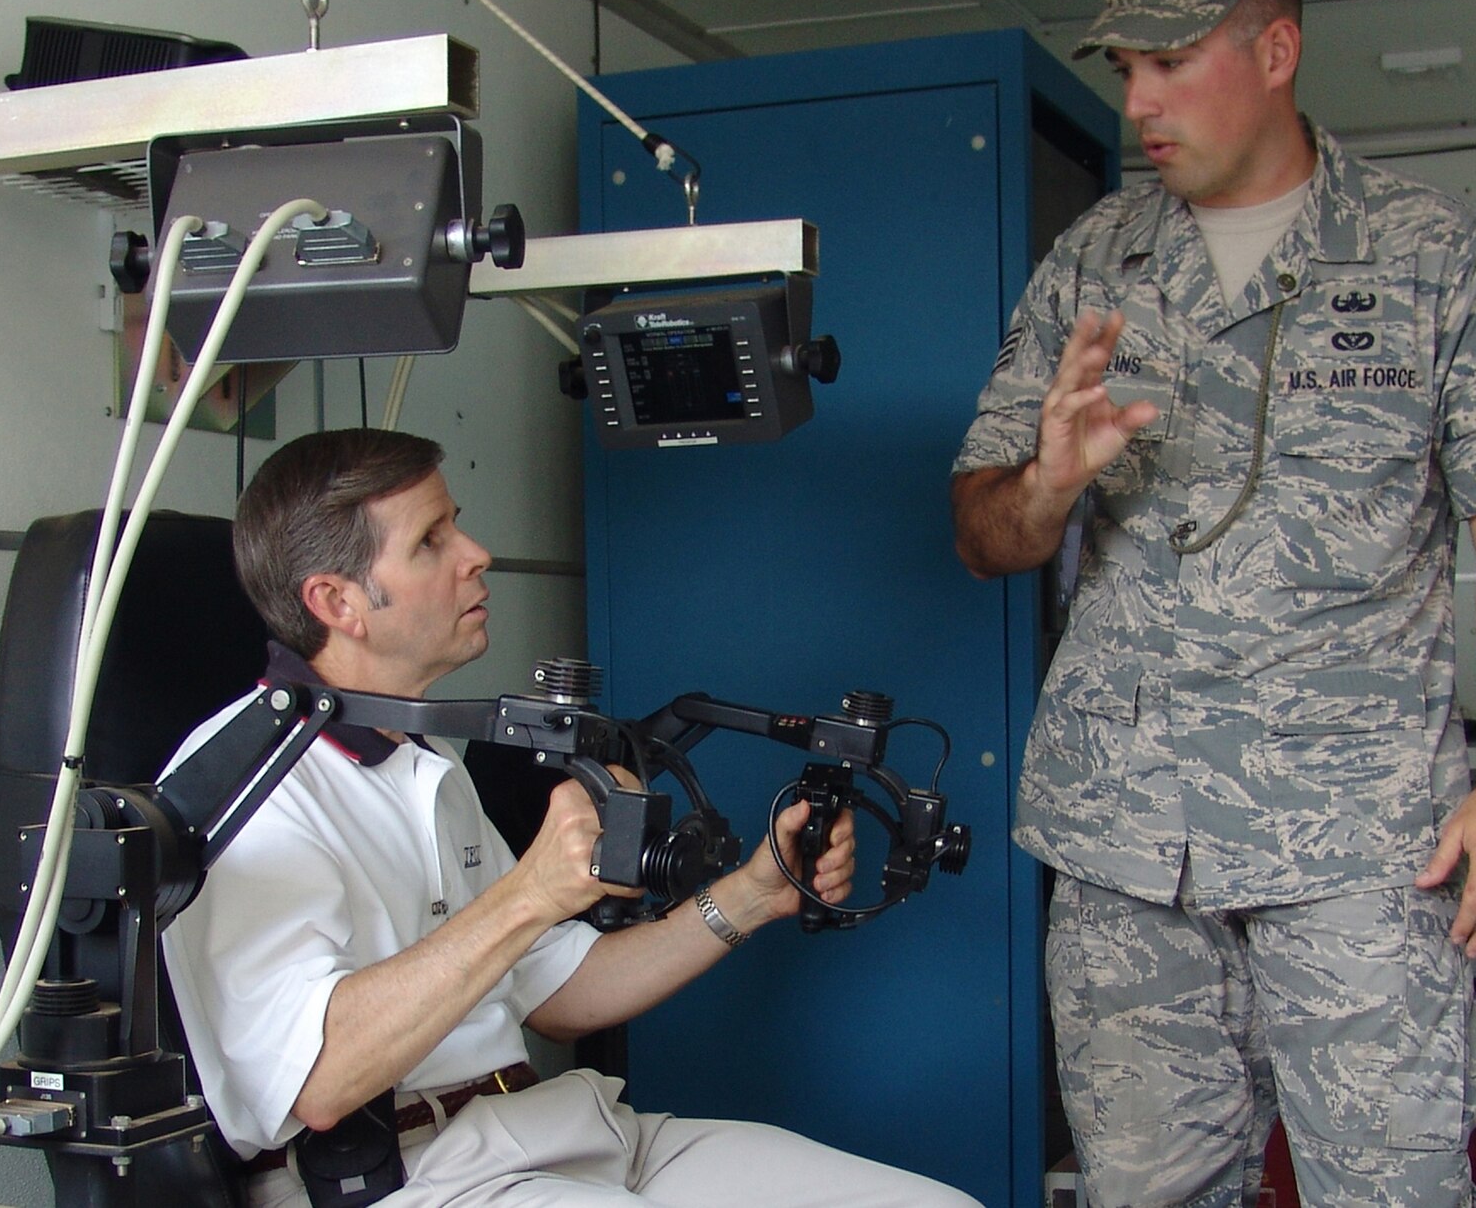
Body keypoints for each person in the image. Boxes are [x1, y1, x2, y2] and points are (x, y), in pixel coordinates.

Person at [949, 0, 1476, 1208]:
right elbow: (980, 532)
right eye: (1126, 66)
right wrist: (1047, 485)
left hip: (1356, 845)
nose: (1138, 102)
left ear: (1274, 49)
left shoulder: (1430, 255)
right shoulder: (1093, 263)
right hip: (1127, 845)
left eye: (1171, 62)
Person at [163, 428, 982, 1208]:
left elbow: (555, 989)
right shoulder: (245, 787)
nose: (476, 554)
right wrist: (530, 893)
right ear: (337, 600)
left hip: (554, 1130)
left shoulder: (420, 756)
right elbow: (317, 1080)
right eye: (431, 541)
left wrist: (752, 895)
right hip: (411, 1174)